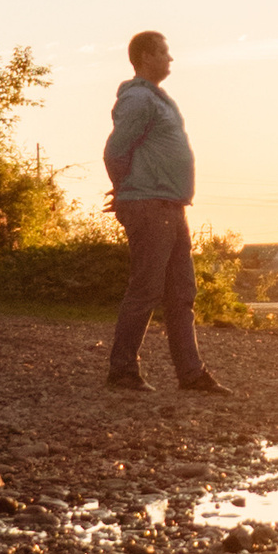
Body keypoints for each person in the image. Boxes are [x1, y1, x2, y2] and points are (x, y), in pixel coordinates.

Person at [102, 30, 227, 395]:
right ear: (145, 57)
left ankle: (191, 374)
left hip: (170, 205)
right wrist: (126, 191)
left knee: (181, 292)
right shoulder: (139, 99)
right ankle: (123, 371)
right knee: (146, 289)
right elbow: (116, 150)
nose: (170, 59)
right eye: (164, 52)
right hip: (150, 205)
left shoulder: (157, 99)